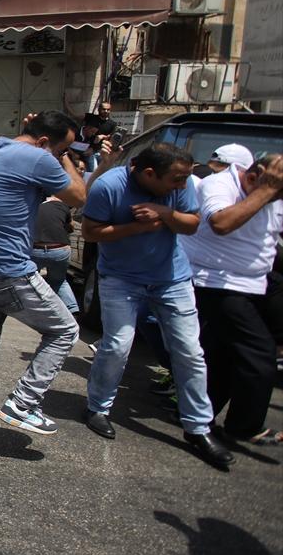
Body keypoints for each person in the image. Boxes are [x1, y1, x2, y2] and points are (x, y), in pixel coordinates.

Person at [81, 143, 234, 469]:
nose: (182, 186)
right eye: (175, 181)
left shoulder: (182, 184)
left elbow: (192, 223)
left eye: (184, 180)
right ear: (149, 173)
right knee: (118, 346)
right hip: (120, 279)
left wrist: (165, 214)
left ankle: (198, 427)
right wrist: (137, 227)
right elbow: (91, 233)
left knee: (190, 352)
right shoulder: (109, 187)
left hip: (171, 279)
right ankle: (98, 407)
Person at [0, 111, 86, 448]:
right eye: (60, 149)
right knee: (65, 330)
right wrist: (62, 157)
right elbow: (79, 197)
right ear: (46, 143)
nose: (59, 156)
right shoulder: (38, 157)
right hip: (7, 272)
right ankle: (24, 402)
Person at [182, 154, 283, 447]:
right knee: (260, 354)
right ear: (255, 177)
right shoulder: (220, 184)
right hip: (215, 281)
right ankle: (243, 425)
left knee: (224, 354)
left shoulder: (271, 196)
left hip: (257, 283)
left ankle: (200, 415)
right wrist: (266, 190)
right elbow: (222, 223)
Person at [31, 195, 79, 316]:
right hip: (60, 249)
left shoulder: (34, 206)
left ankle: (32, 307)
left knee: (29, 278)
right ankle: (72, 308)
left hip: (37, 248)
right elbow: (71, 227)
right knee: (59, 281)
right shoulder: (64, 208)